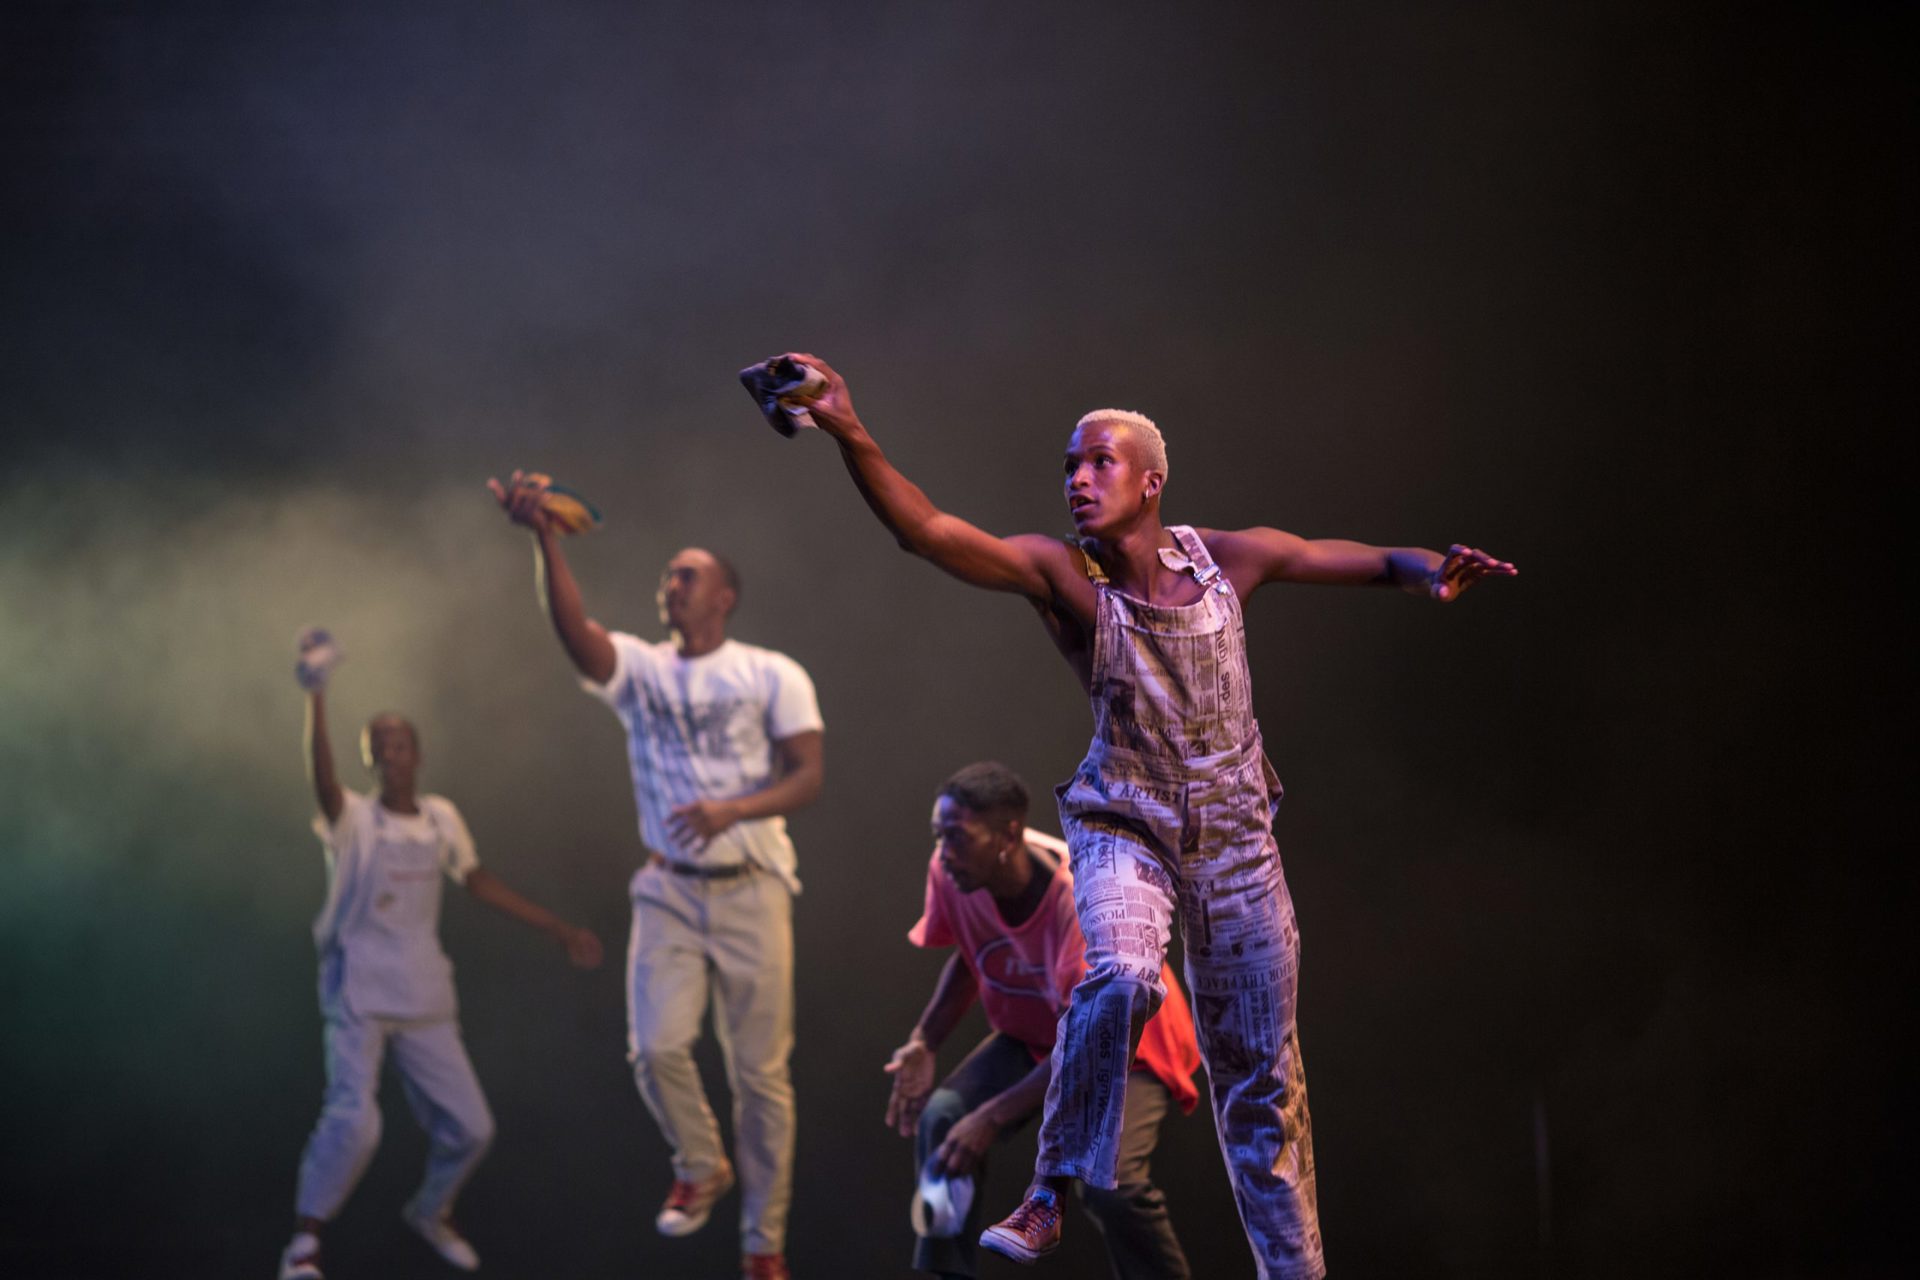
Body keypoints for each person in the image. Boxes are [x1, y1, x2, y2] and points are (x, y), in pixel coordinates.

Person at [754, 354, 1516, 1280]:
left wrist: (1433, 574)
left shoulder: (1226, 559)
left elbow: (1362, 561)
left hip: (1236, 842)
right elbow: (928, 532)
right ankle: (1049, 1190)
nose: (1077, 479)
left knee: (1264, 1084)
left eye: (1099, 463)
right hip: (1126, 825)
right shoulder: (1061, 574)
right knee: (1117, 975)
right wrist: (847, 426)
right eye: (1069, 466)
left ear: (1150, 482)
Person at [489, 471, 825, 1280]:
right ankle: (702, 1164)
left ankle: (763, 1244)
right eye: (667, 575)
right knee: (654, 1049)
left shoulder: (770, 672)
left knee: (760, 1079)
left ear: (724, 597)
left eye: (687, 575)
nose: (670, 585)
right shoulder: (641, 670)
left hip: (753, 882)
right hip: (668, 888)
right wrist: (546, 539)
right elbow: (575, 634)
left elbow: (808, 775)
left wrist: (733, 810)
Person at [279, 637, 603, 1280]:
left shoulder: (442, 819)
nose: (389, 753)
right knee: (356, 1123)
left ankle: (432, 1210)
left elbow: (478, 880)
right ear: (369, 759)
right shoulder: (353, 821)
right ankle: (304, 1245)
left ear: (417, 755)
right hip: (359, 988)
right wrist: (316, 695)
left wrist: (557, 928)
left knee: (473, 1128)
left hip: (422, 988)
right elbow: (322, 781)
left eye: (398, 743)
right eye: (377, 746)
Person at [885, 762, 1200, 1280]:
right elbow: (971, 951)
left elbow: (1084, 1046)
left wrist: (990, 1117)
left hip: (1125, 1045)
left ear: (1008, 836)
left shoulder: (1076, 898)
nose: (944, 852)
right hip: (1039, 1036)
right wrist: (925, 1041)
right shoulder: (952, 871)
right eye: (939, 836)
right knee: (942, 1118)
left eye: (957, 837)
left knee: (1111, 1187)